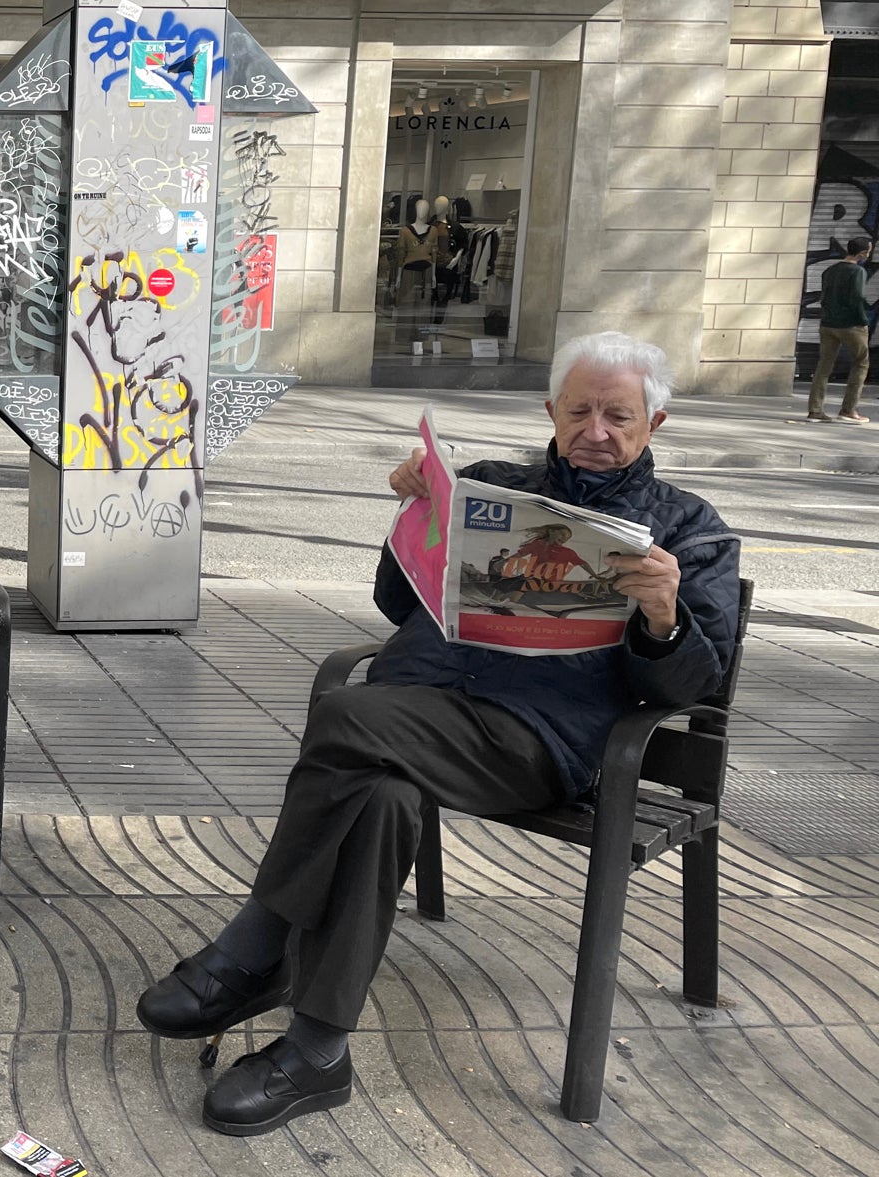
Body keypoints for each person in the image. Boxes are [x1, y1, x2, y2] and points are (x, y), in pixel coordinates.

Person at [136, 331, 741, 1137]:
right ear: (551, 412)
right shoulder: (492, 489)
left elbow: (693, 688)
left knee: (346, 712)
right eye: (581, 410)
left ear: (654, 423)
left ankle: (257, 943)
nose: (597, 429)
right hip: (416, 716)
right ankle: (319, 1051)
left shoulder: (689, 534)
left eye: (618, 415)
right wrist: (416, 510)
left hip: (535, 742)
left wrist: (663, 613)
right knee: (380, 797)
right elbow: (400, 603)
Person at [808, 236, 872, 424]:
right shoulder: (858, 271)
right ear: (862, 253)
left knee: (824, 366)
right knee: (861, 363)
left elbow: (825, 296)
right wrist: (862, 320)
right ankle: (849, 410)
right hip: (851, 325)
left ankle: (815, 411)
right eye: (869, 250)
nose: (870, 253)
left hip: (828, 324)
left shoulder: (830, 270)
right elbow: (857, 298)